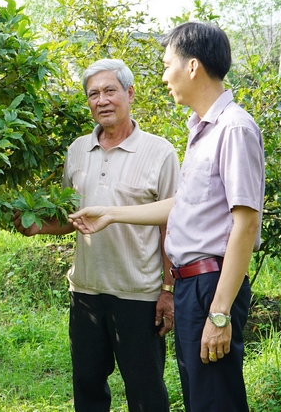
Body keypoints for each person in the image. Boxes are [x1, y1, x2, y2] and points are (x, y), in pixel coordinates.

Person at [69, 22, 265, 412]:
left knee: (214, 400)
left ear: (192, 66)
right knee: (200, 395)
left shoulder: (234, 128)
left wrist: (220, 313)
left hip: (211, 282)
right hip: (193, 283)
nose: (164, 76)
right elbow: (182, 206)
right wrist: (110, 213)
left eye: (167, 64)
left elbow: (246, 224)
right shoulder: (202, 131)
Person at [13, 58, 179, 412]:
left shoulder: (160, 151)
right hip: (86, 291)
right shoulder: (77, 150)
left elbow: (171, 224)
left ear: (130, 93)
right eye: (93, 94)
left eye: (109, 91)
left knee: (145, 390)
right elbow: (70, 217)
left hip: (139, 295)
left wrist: (168, 291)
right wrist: (37, 226)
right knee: (87, 387)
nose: (101, 100)